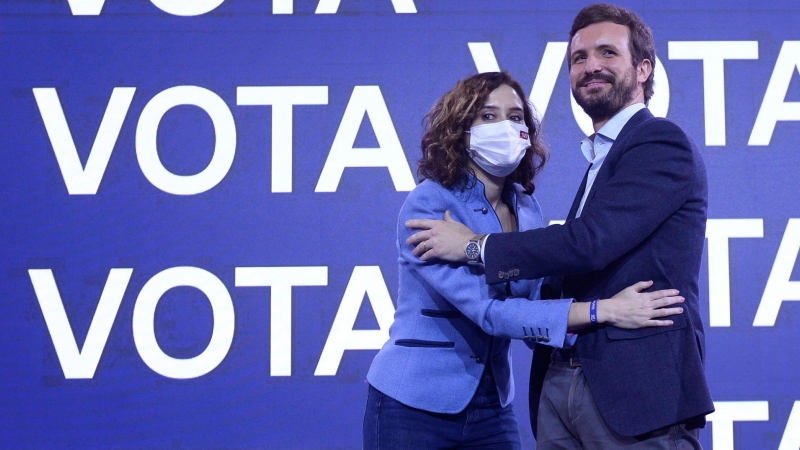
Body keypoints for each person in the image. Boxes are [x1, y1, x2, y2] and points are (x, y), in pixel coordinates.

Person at [406, 4, 714, 448]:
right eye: (578, 58)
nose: (591, 67)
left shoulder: (659, 142)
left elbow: (589, 244)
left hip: (635, 393)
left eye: (607, 53)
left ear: (643, 68)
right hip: (561, 383)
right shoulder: (601, 158)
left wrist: (476, 247)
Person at [364, 71, 687, 449]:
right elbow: (492, 312)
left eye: (516, 117)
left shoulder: (527, 207)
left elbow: (536, 307)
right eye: (488, 116)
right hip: (414, 403)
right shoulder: (430, 203)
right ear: (461, 130)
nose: (505, 126)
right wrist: (603, 310)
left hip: (492, 404)